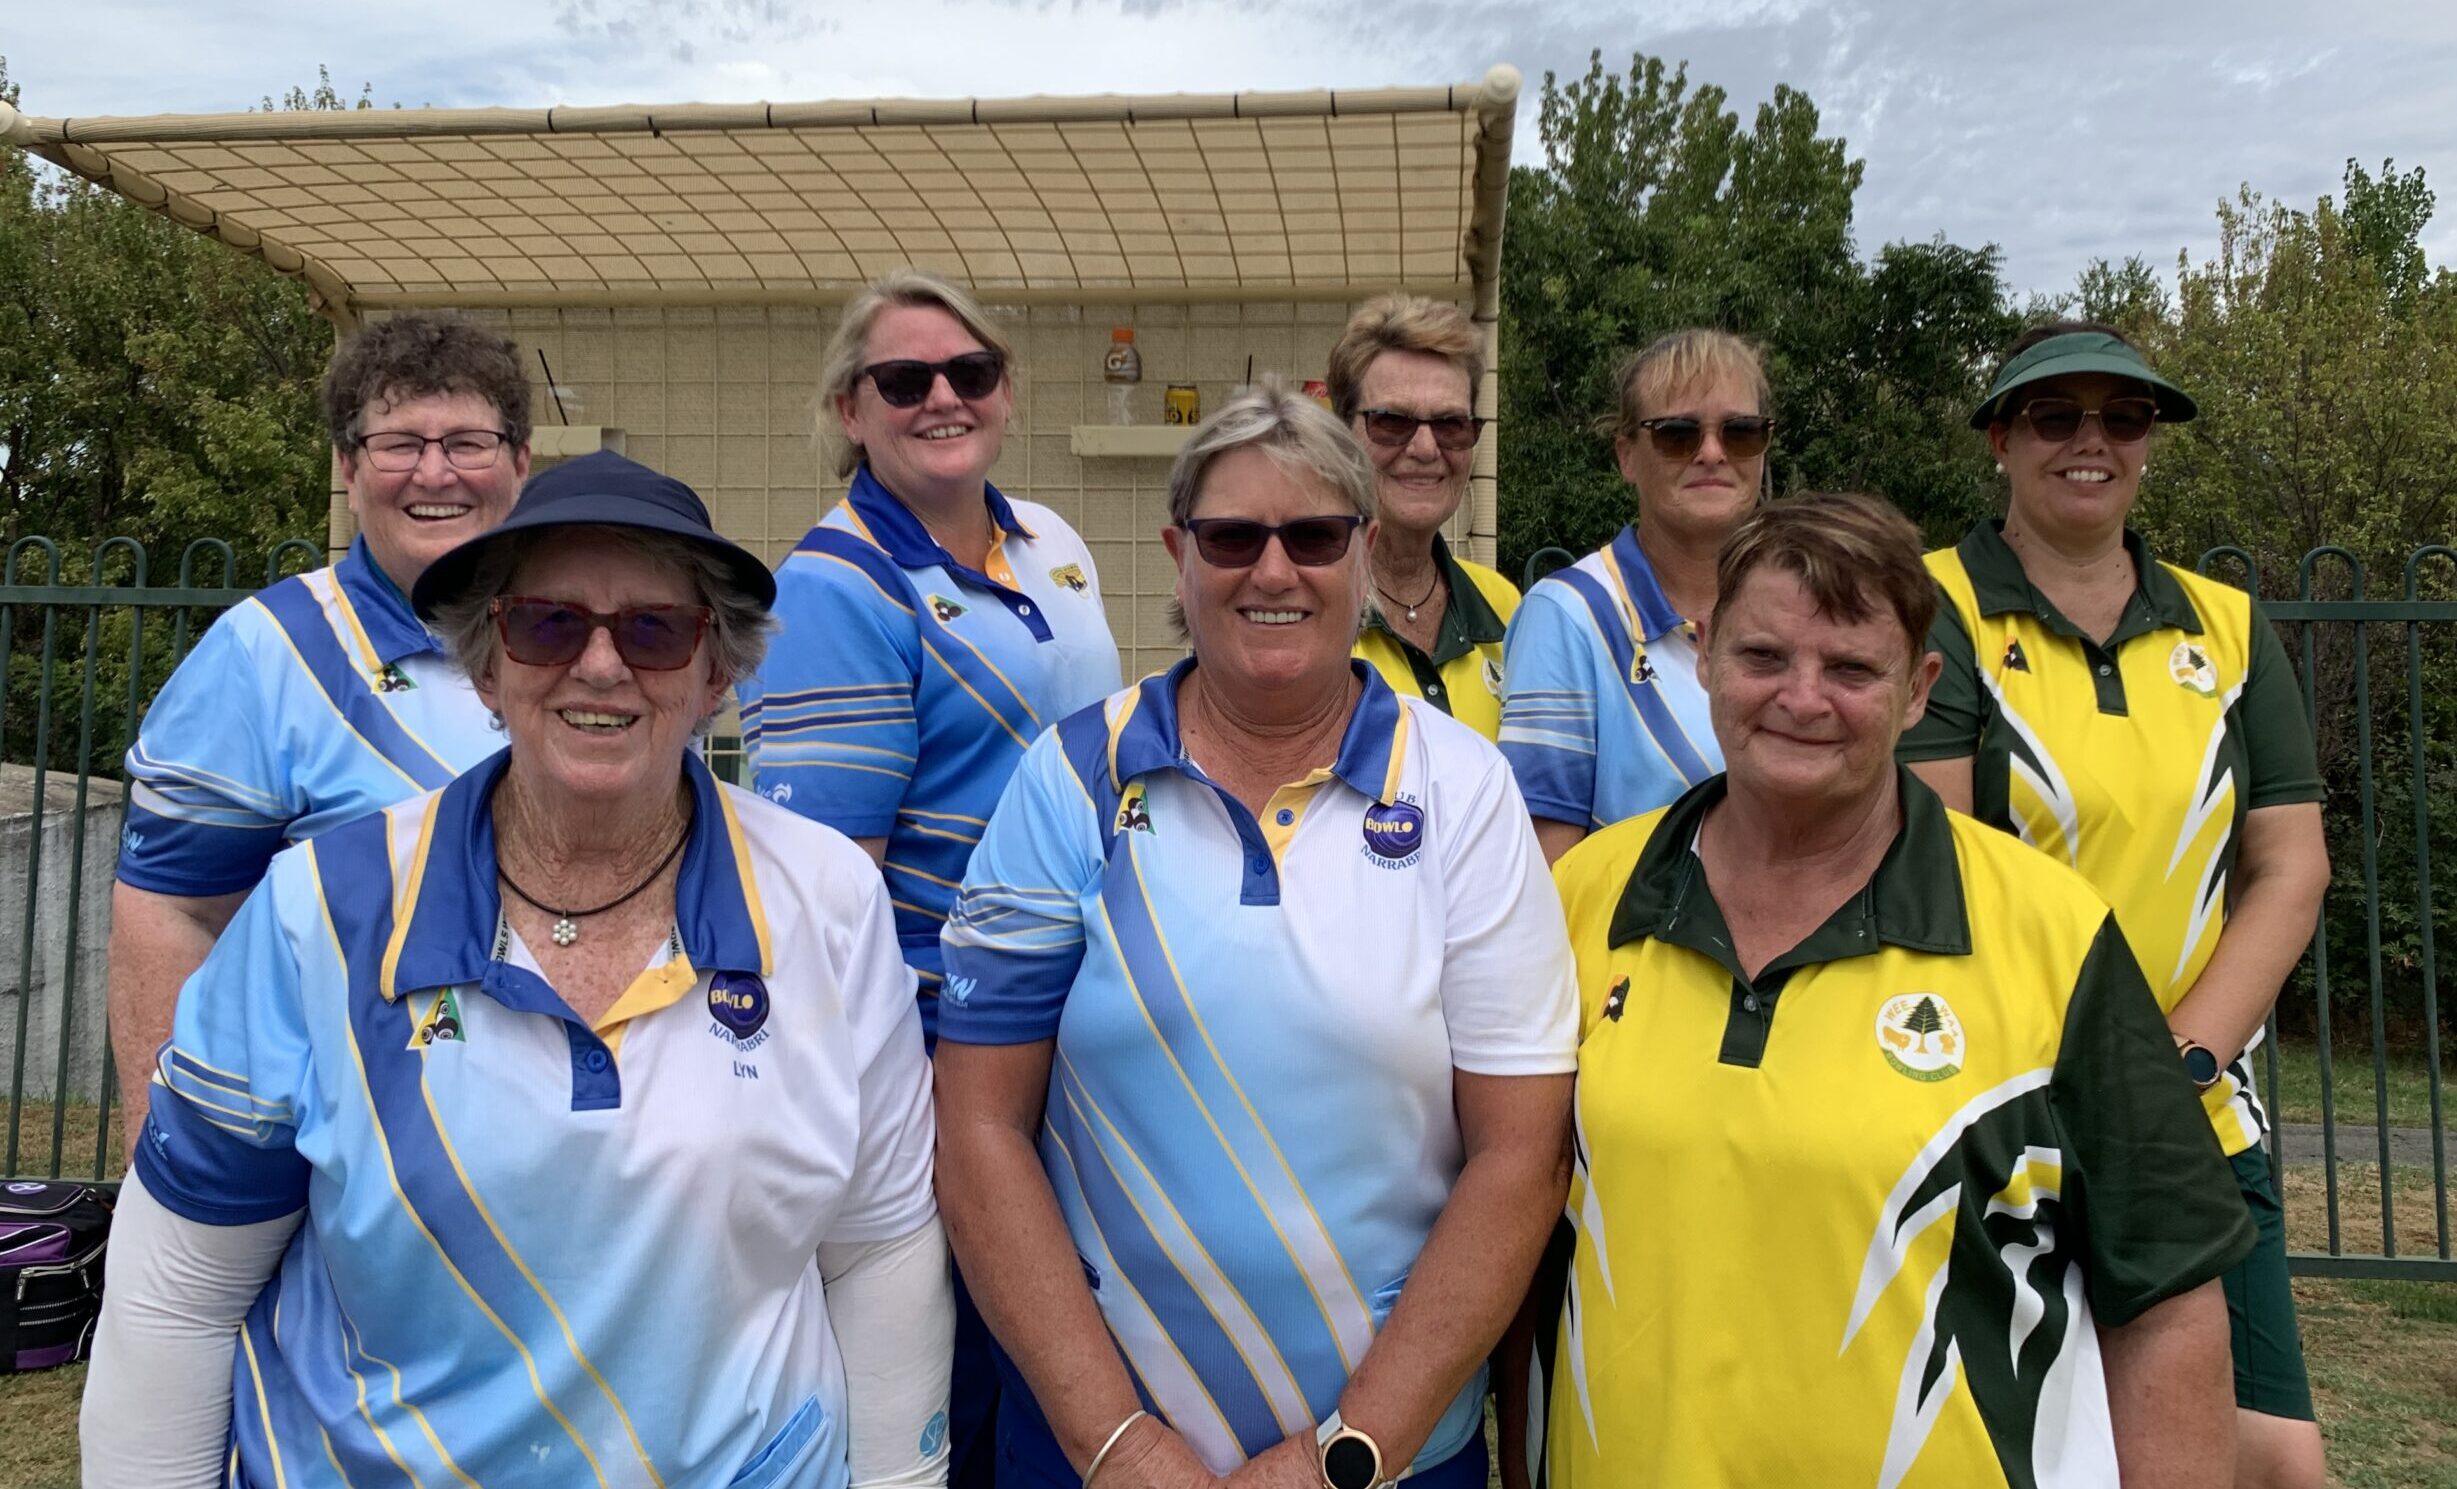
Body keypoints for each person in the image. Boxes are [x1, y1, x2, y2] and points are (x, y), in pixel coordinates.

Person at [80, 452, 950, 1488]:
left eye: (655, 629)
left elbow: (880, 1250)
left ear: (717, 674)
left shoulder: (828, 900)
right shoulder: (324, 910)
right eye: (547, 623)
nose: (599, 664)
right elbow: (179, 1288)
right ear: (484, 665)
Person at [932, 382, 1578, 1489]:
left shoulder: (1465, 789)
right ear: (1179, 554)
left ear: (1367, 553)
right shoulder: (1068, 778)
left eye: (1315, 535)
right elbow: (980, 1125)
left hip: (1392, 1458)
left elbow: (1520, 1154)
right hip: (1093, 1455)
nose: (1272, 570)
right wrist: (1118, 1443)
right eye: (1233, 536)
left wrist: (1346, 1452)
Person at [1545, 490, 2253, 1488]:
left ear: (1920, 688)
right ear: (1701, 656)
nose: (1801, 696)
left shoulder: (2048, 932)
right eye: (1762, 657)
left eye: (1849, 667)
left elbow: (2171, 1297)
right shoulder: (1585, 902)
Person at [1899, 323, 2333, 1489]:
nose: (2091, 441)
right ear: (2000, 438)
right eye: (2054, 415)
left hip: (2196, 1113)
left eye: (2123, 417)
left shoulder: (2227, 627)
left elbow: (2290, 867)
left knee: (2274, 1462)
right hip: (2004, 1105)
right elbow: (1942, 859)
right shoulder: (1930, 606)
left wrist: (2178, 1060)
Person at [742, 268, 1122, 1488]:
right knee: (954, 1373)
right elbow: (826, 895)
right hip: (938, 1049)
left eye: (971, 372)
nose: (942, 398)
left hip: (1073, 1024)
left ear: (1007, 392)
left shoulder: (1048, 541)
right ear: (849, 410)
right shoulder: (832, 587)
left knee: (1060, 1354)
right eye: (903, 380)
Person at [107, 311, 531, 1144]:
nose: (435, 472)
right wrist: (164, 1164)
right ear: (346, 464)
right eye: (399, 442)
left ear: (520, 460)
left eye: (468, 442)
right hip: (337, 1171)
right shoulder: (269, 652)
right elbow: (171, 912)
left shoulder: (588, 638)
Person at [1498, 329, 1773, 862]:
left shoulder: (1799, 613)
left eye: (1740, 432)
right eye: (1677, 433)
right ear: (1627, 456)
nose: (1712, 453)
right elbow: (1546, 871)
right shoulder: (1569, 615)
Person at [1328, 294, 1519, 736]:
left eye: (1451, 424)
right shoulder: (1304, 607)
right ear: (1340, 435)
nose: (1426, 449)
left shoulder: (1505, 607)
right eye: (1393, 422)